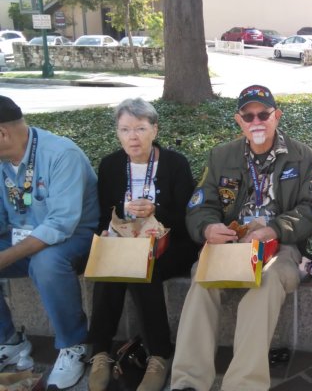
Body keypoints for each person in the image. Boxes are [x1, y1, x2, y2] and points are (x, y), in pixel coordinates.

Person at [170, 85, 312, 391]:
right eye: (248, 115)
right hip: (231, 248)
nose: (257, 120)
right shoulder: (220, 156)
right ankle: (188, 383)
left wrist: (275, 229)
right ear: (239, 120)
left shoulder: (303, 156)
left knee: (266, 283)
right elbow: (200, 205)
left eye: (263, 114)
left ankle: (243, 385)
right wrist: (208, 229)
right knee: (202, 280)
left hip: (281, 248)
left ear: (276, 116)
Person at [87, 98, 199, 391]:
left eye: (140, 128)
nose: (132, 137)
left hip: (171, 244)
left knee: (142, 267)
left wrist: (155, 211)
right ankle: (99, 351)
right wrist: (117, 228)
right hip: (127, 241)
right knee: (110, 265)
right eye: (125, 130)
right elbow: (103, 215)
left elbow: (189, 215)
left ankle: (159, 354)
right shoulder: (111, 165)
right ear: (118, 133)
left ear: (154, 129)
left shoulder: (175, 164)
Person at [0, 95, 98, 389]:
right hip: (21, 239)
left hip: (74, 236)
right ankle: (9, 341)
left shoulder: (60, 153)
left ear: (2, 133)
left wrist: (4, 257)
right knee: (37, 256)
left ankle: (74, 345)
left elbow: (60, 224)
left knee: (47, 263)